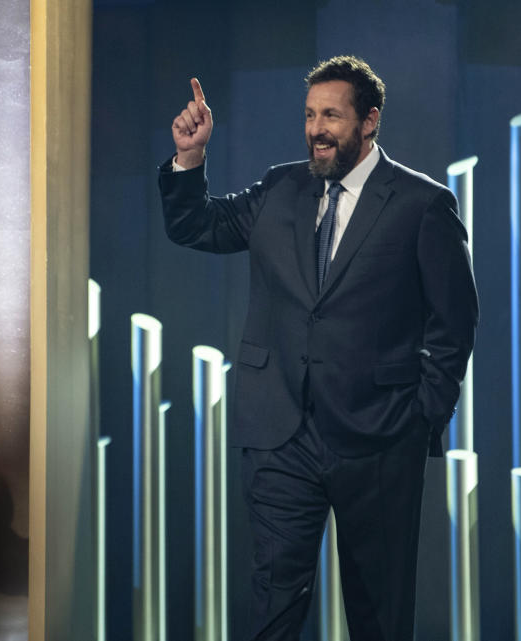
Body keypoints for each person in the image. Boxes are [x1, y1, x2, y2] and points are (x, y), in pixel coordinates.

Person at [157, 56, 479, 641]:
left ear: (370, 121)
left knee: (379, 615)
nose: (316, 128)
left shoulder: (421, 204)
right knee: (273, 609)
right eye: (309, 115)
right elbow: (195, 226)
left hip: (378, 440)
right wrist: (190, 158)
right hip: (280, 435)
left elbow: (454, 323)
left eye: (331, 114)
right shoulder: (281, 187)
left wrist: (420, 416)